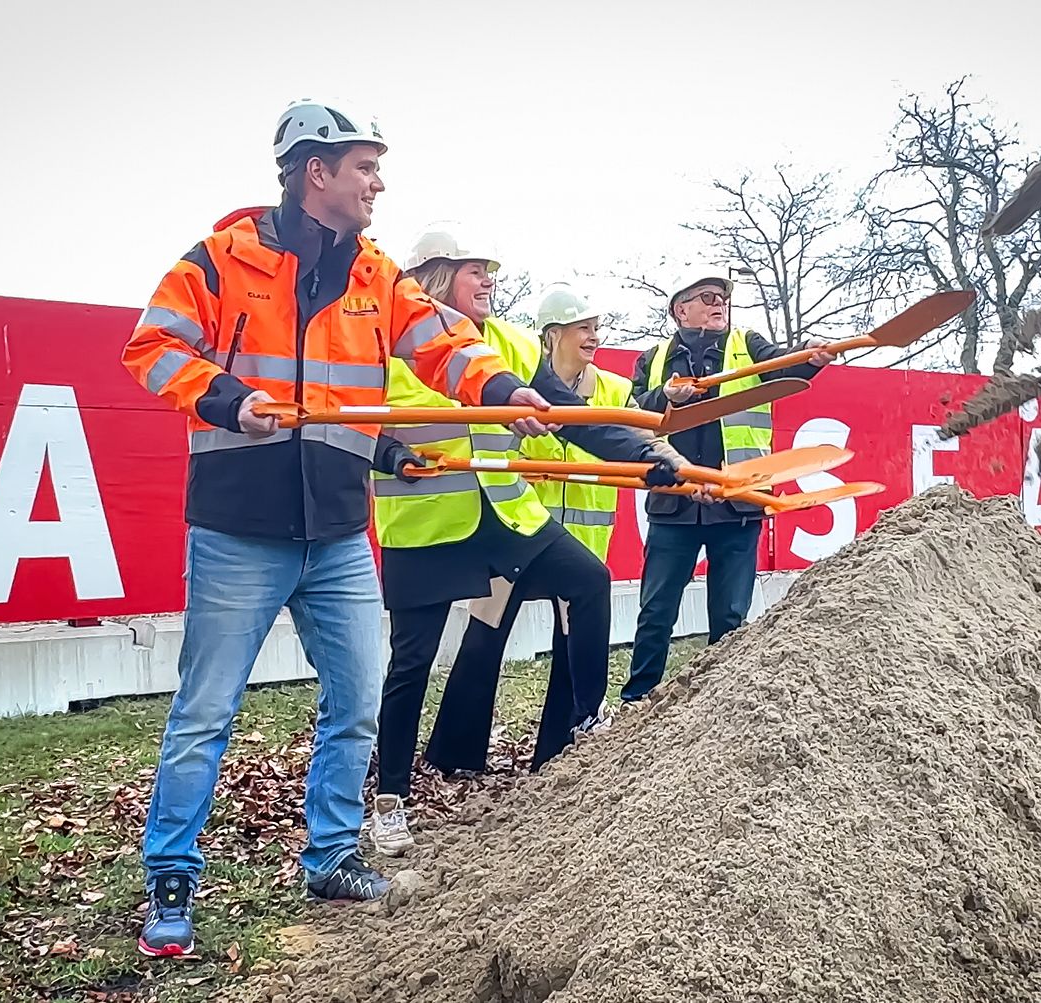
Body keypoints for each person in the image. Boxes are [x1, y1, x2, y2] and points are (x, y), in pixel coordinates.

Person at [120, 100, 557, 957]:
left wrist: (503, 393)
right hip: (237, 527)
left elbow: (443, 342)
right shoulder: (218, 261)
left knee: (356, 697)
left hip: (338, 531)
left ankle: (329, 855)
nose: (378, 182)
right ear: (313, 170)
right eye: (365, 166)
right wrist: (224, 396)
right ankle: (171, 879)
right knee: (206, 712)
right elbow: (153, 347)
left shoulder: (377, 276)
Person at [367, 237, 684, 856]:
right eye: (473, 273)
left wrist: (648, 457)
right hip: (427, 527)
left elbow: (570, 413)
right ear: (434, 279)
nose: (487, 282)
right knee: (411, 665)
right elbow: (361, 421)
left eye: (488, 274)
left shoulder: (508, 344)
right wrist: (392, 454)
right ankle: (390, 798)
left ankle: (584, 726)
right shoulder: (389, 349)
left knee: (589, 582)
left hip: (508, 517)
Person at [413, 283, 635, 790]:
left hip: (573, 541)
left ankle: (557, 752)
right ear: (553, 334)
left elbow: (625, 432)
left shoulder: (614, 391)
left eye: (596, 329)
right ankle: (454, 752)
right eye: (584, 328)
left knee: (569, 643)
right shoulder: (514, 378)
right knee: (484, 635)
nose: (593, 338)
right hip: (518, 530)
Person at [620, 268, 836, 703]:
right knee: (656, 611)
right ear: (680, 309)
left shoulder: (747, 345)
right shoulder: (654, 358)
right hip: (675, 505)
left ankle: (719, 706)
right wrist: (666, 396)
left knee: (730, 615)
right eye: (706, 296)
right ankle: (638, 700)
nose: (719, 303)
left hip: (738, 504)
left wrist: (810, 355)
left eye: (722, 297)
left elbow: (784, 366)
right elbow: (632, 413)